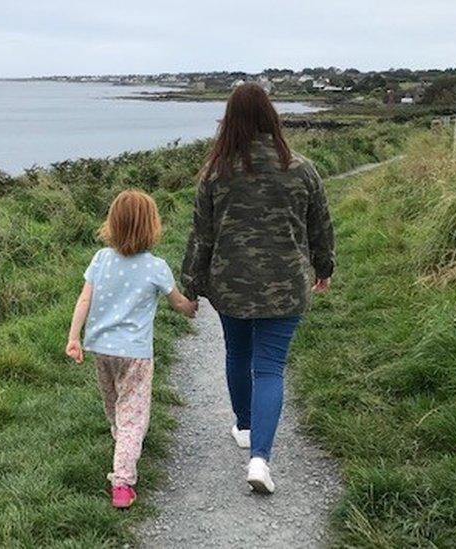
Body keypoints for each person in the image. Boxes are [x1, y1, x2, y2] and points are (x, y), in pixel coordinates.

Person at [180, 83, 335, 494]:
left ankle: (245, 426)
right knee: (270, 367)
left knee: (238, 352)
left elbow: (202, 238)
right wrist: (324, 267)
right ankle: (259, 459)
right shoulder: (302, 169)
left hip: (231, 286)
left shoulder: (216, 172)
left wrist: (191, 286)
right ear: (271, 118)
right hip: (286, 287)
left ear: (230, 121)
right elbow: (321, 226)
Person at [66, 189, 198, 508]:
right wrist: (191, 307)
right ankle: (123, 481)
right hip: (135, 354)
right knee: (132, 414)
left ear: (112, 224)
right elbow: (178, 302)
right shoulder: (156, 267)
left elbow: (84, 299)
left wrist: (74, 337)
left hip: (101, 348)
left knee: (113, 403)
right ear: (151, 227)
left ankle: (122, 442)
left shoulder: (100, 259)